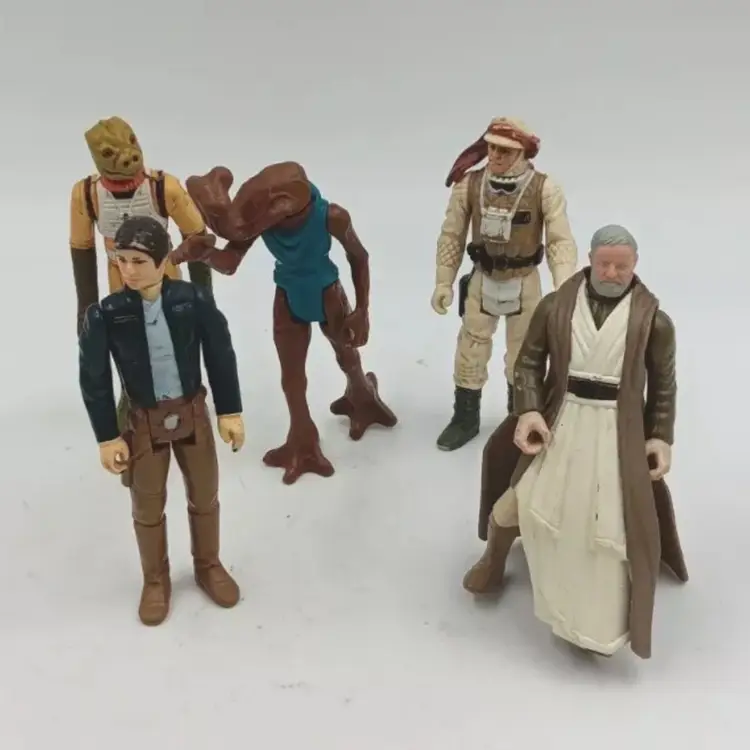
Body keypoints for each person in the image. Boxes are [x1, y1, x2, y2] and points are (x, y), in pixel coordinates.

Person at [462, 224, 688, 659]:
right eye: (604, 263)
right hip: (560, 421)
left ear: (635, 265)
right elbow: (528, 364)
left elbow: (664, 386)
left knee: (607, 526)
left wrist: (660, 437)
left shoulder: (653, 322)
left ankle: (593, 624)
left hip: (615, 432)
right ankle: (494, 558)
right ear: (590, 259)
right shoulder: (556, 306)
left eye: (621, 265)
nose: (612, 272)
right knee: (521, 498)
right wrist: (530, 410)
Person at [78, 215, 244, 626]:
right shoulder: (106, 314)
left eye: (138, 261)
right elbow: (94, 378)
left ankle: (208, 564)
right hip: (143, 422)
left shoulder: (193, 300)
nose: (128, 270)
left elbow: (220, 354)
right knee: (147, 505)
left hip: (192, 413)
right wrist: (108, 436)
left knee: (204, 495)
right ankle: (155, 579)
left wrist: (229, 411)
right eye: (121, 260)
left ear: (163, 259)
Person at [69, 116, 214, 471]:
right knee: (127, 345)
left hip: (166, 274)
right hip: (121, 279)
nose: (126, 157)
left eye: (130, 143)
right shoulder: (87, 194)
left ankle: (188, 402)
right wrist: (86, 305)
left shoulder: (164, 187)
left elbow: (197, 236)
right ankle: (133, 409)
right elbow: (82, 247)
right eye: (109, 153)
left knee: (179, 339)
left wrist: (203, 296)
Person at [432, 116, 578, 451]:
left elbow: (560, 240)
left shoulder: (545, 188)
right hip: (482, 280)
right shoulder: (468, 185)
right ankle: (465, 417)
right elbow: (451, 235)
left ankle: (519, 418)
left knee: (524, 354)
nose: (496, 155)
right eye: (492, 147)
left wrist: (564, 288)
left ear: (523, 152)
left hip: (524, 282)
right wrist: (444, 281)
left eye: (505, 150)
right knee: (470, 349)